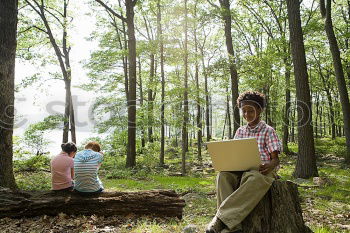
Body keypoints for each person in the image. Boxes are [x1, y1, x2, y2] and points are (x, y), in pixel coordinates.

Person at [206, 91, 282, 233]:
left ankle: (221, 220)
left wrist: (270, 165)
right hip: (240, 169)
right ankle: (234, 227)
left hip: (261, 171)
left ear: (259, 110)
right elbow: (234, 153)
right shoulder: (240, 131)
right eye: (244, 111)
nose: (247, 114)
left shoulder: (268, 131)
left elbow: (275, 159)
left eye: (251, 111)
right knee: (223, 176)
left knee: (252, 178)